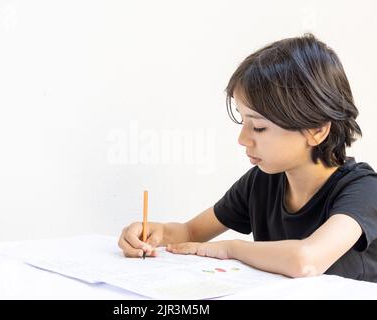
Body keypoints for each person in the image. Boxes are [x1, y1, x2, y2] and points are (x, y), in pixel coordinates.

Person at [117, 33, 377, 282]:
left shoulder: (363, 190)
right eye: (243, 121)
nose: (243, 139)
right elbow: (190, 232)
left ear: (317, 129)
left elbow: (306, 260)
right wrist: (153, 233)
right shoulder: (262, 181)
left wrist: (232, 248)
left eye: (259, 127)